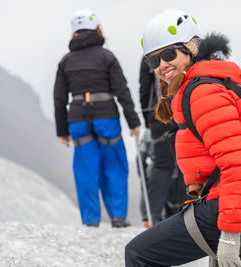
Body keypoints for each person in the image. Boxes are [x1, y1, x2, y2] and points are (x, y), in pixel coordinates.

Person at [125, 9, 241, 266]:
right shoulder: (201, 86)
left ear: (190, 48)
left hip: (240, 201)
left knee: (139, 253)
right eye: (153, 61)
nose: (161, 65)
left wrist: (229, 233)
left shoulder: (203, 93)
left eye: (169, 54)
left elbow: (237, 165)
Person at [53, 10, 140, 228]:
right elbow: (122, 90)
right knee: (115, 166)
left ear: (74, 32)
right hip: (106, 118)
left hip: (78, 121)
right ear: (98, 29)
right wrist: (133, 122)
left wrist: (61, 131)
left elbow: (59, 99)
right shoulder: (106, 57)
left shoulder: (66, 61)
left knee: (85, 169)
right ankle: (118, 216)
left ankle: (91, 220)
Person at [139, 56, 189, 226]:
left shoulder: (148, 56)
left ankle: (152, 216)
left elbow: (144, 89)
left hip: (157, 114)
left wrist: (149, 121)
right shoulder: (183, 51)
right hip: (182, 111)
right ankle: (186, 215)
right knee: (184, 164)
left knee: (161, 165)